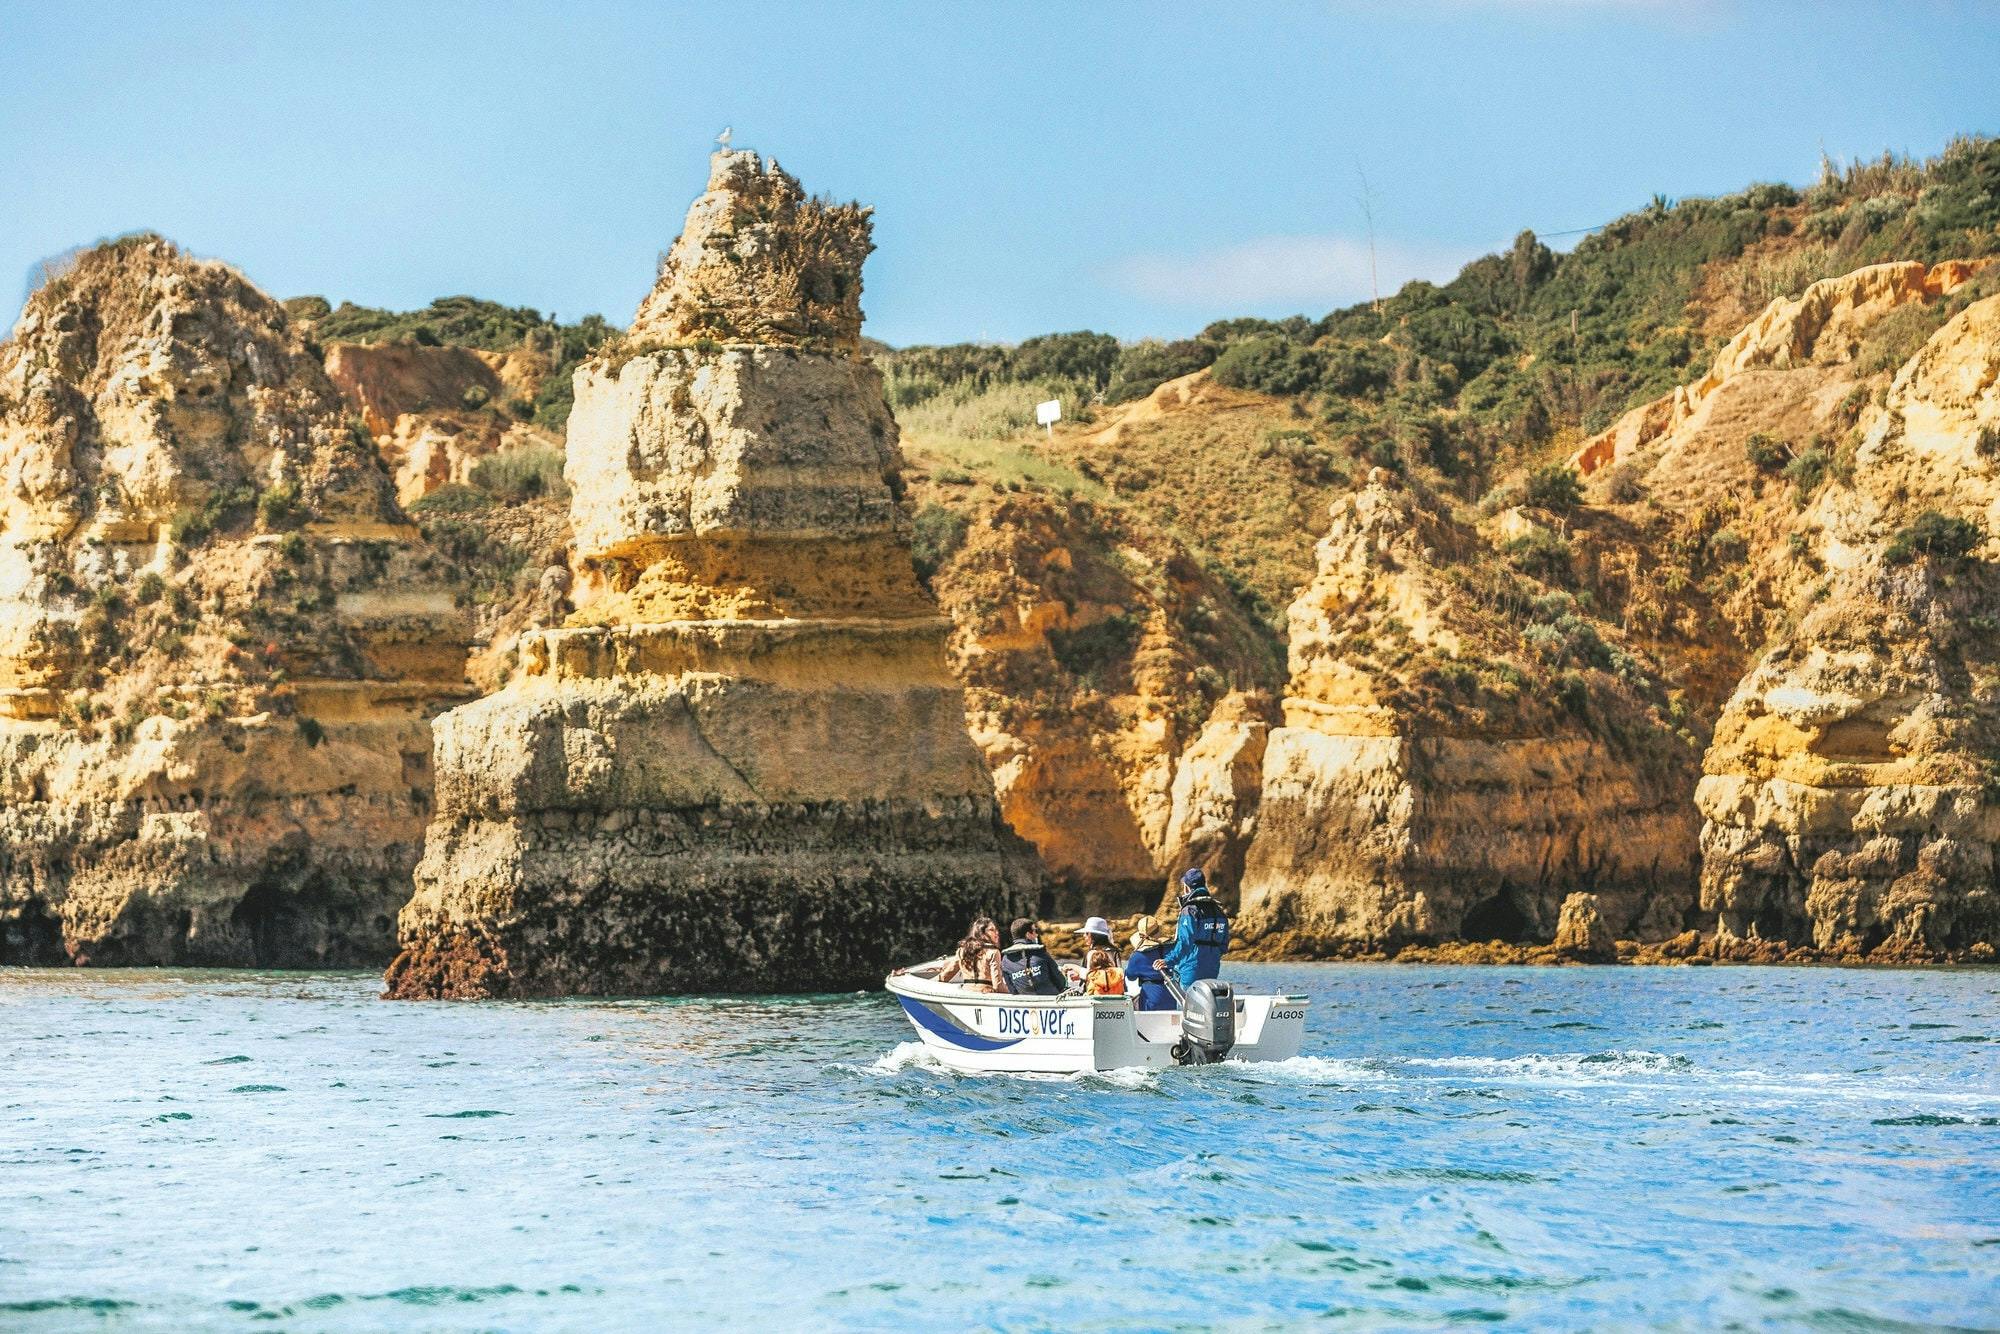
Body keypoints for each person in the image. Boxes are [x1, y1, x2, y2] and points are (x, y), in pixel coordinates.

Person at [1159, 867, 1230, 988]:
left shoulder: (1190, 910)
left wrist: (1168, 960)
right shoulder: (1218, 910)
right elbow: (1224, 945)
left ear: (1186, 887)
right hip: (1213, 969)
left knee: (1187, 1003)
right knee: (1205, 1003)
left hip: (1191, 969)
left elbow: (1185, 942)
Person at [998, 918, 1066, 996]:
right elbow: (1061, 982)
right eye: (1034, 931)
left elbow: (1012, 990)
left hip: (1024, 1004)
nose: (1037, 935)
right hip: (1049, 1001)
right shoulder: (1040, 953)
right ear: (1028, 934)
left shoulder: (1006, 960)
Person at [935, 916, 1004, 992]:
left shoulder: (962, 950)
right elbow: (998, 986)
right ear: (981, 933)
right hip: (986, 993)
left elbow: (947, 974)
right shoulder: (993, 952)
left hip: (966, 991)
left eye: (996, 930)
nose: (996, 933)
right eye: (992, 930)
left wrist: (933, 982)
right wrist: (1013, 993)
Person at [1122, 915, 1175, 1011]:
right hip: (1173, 995)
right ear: (1158, 930)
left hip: (1151, 998)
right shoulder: (1173, 949)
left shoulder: (1138, 956)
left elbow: (1130, 976)